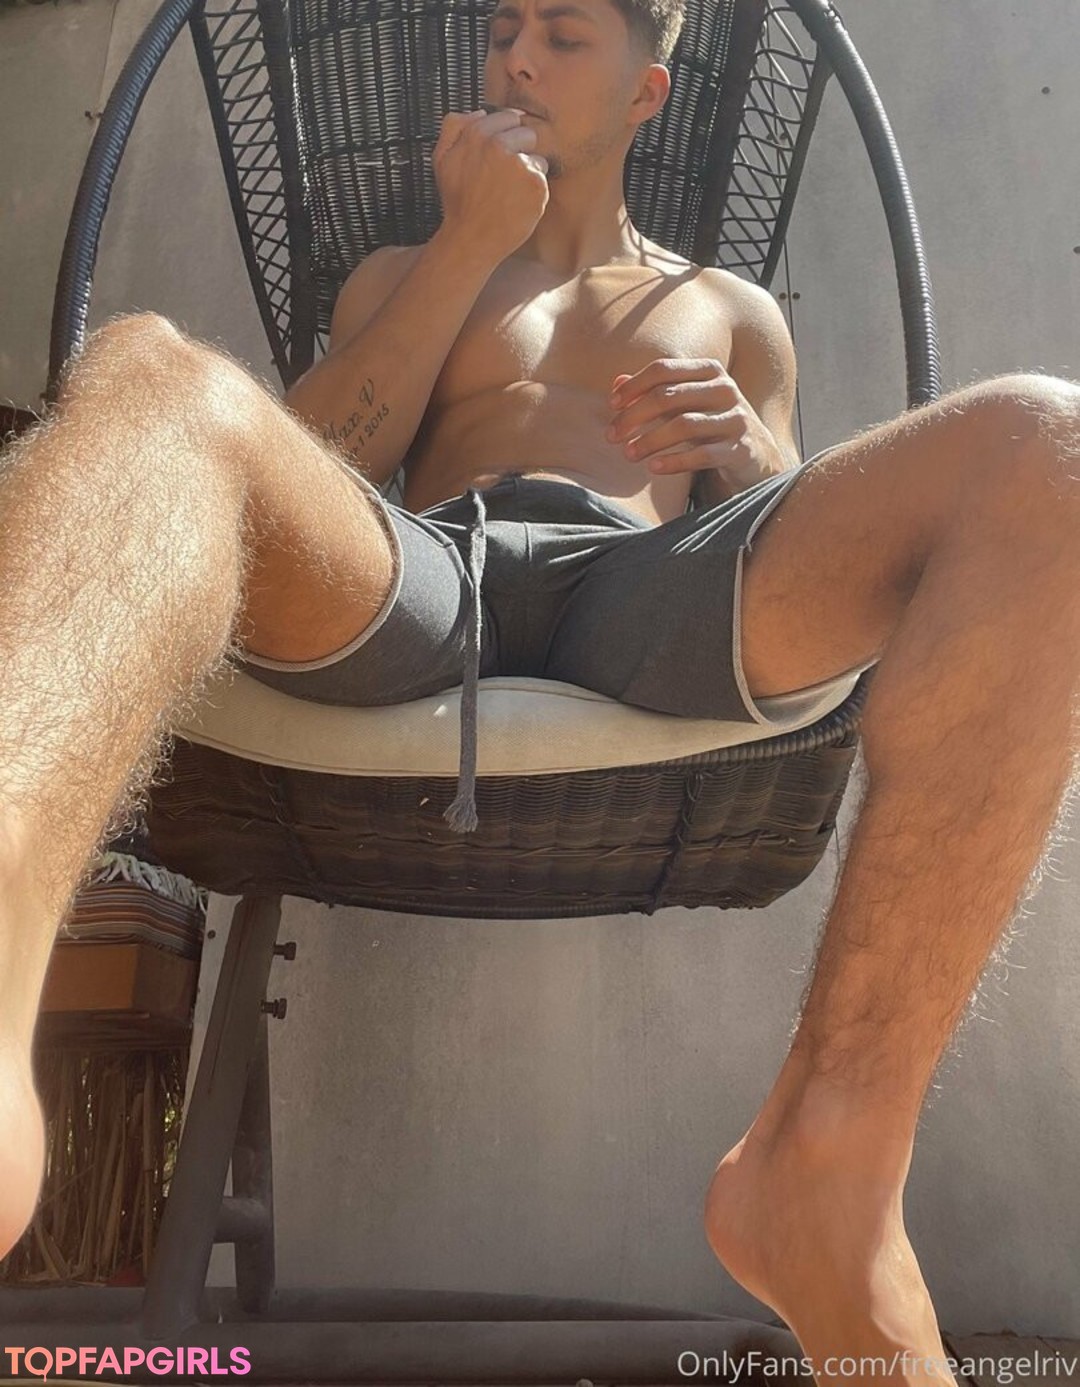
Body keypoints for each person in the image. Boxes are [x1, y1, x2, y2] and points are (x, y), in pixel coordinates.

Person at [0, 0, 1076, 1379]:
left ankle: (834, 1171)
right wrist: (464, 248)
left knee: (1050, 449)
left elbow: (794, 556)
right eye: (505, 28)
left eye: (563, 33)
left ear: (647, 93)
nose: (514, 57)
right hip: (422, 571)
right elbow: (309, 468)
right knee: (148, 370)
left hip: (642, 584)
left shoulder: (731, 309)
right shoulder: (401, 271)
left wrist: (754, 458)